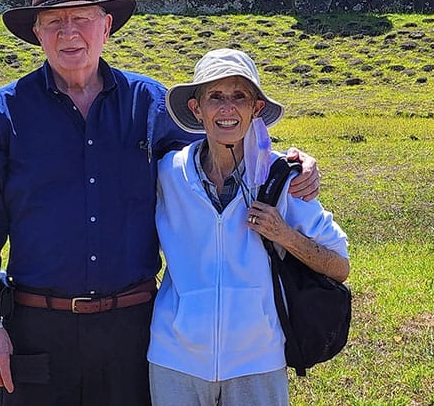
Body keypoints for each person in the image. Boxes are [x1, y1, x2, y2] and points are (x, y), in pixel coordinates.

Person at [0, 0, 320, 406]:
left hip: (132, 327)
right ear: (37, 32)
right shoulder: (3, 113)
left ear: (106, 26)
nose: (69, 33)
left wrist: (291, 163)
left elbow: (223, 142)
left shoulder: (148, 103)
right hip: (37, 326)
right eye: (54, 22)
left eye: (82, 19)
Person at [148, 48, 350, 406]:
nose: (227, 109)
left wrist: (283, 234)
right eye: (215, 97)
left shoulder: (283, 177)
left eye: (239, 96)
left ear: (256, 108)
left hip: (258, 360)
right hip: (174, 357)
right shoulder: (167, 173)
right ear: (197, 109)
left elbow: (339, 266)